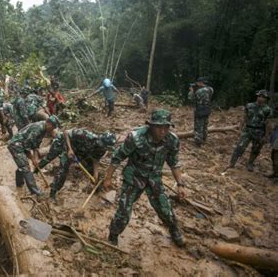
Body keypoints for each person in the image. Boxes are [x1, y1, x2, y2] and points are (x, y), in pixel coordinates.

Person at [103, 109, 186, 247]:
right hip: (134, 176)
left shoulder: (172, 140)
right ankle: (113, 235)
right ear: (151, 126)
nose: (163, 131)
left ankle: (175, 232)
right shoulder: (136, 137)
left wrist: (180, 184)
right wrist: (108, 178)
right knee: (124, 211)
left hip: (154, 178)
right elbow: (118, 157)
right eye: (159, 127)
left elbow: (174, 163)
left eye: (166, 127)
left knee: (165, 209)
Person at [37, 129, 116, 201]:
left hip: (78, 152)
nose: (102, 148)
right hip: (64, 142)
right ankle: (36, 170)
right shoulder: (85, 135)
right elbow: (66, 132)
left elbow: (96, 160)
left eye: (104, 147)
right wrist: (70, 149)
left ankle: (96, 190)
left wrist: (95, 175)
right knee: (54, 161)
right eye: (103, 146)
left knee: (90, 170)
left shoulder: (102, 149)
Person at [7, 115, 61, 196]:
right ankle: (35, 191)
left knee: (22, 165)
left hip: (21, 145)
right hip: (16, 145)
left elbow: (35, 146)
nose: (52, 130)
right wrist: (32, 159)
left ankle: (19, 184)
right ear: (49, 124)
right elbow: (27, 146)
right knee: (26, 167)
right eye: (52, 128)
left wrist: (36, 159)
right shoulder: (38, 128)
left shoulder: (44, 128)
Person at [229, 90, 272, 171]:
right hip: (248, 130)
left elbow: (268, 123)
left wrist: (266, 136)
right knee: (240, 146)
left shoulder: (267, 110)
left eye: (263, 97)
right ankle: (232, 163)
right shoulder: (249, 106)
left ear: (266, 99)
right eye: (259, 96)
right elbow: (244, 117)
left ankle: (250, 163)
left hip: (259, 132)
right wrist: (240, 127)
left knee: (255, 150)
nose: (260, 98)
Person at [188, 77, 214, 146]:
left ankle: (198, 142)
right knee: (205, 125)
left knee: (198, 126)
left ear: (201, 82)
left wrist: (191, 91)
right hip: (207, 108)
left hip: (199, 109)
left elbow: (191, 98)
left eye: (198, 82)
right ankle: (204, 139)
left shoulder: (199, 91)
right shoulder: (211, 89)